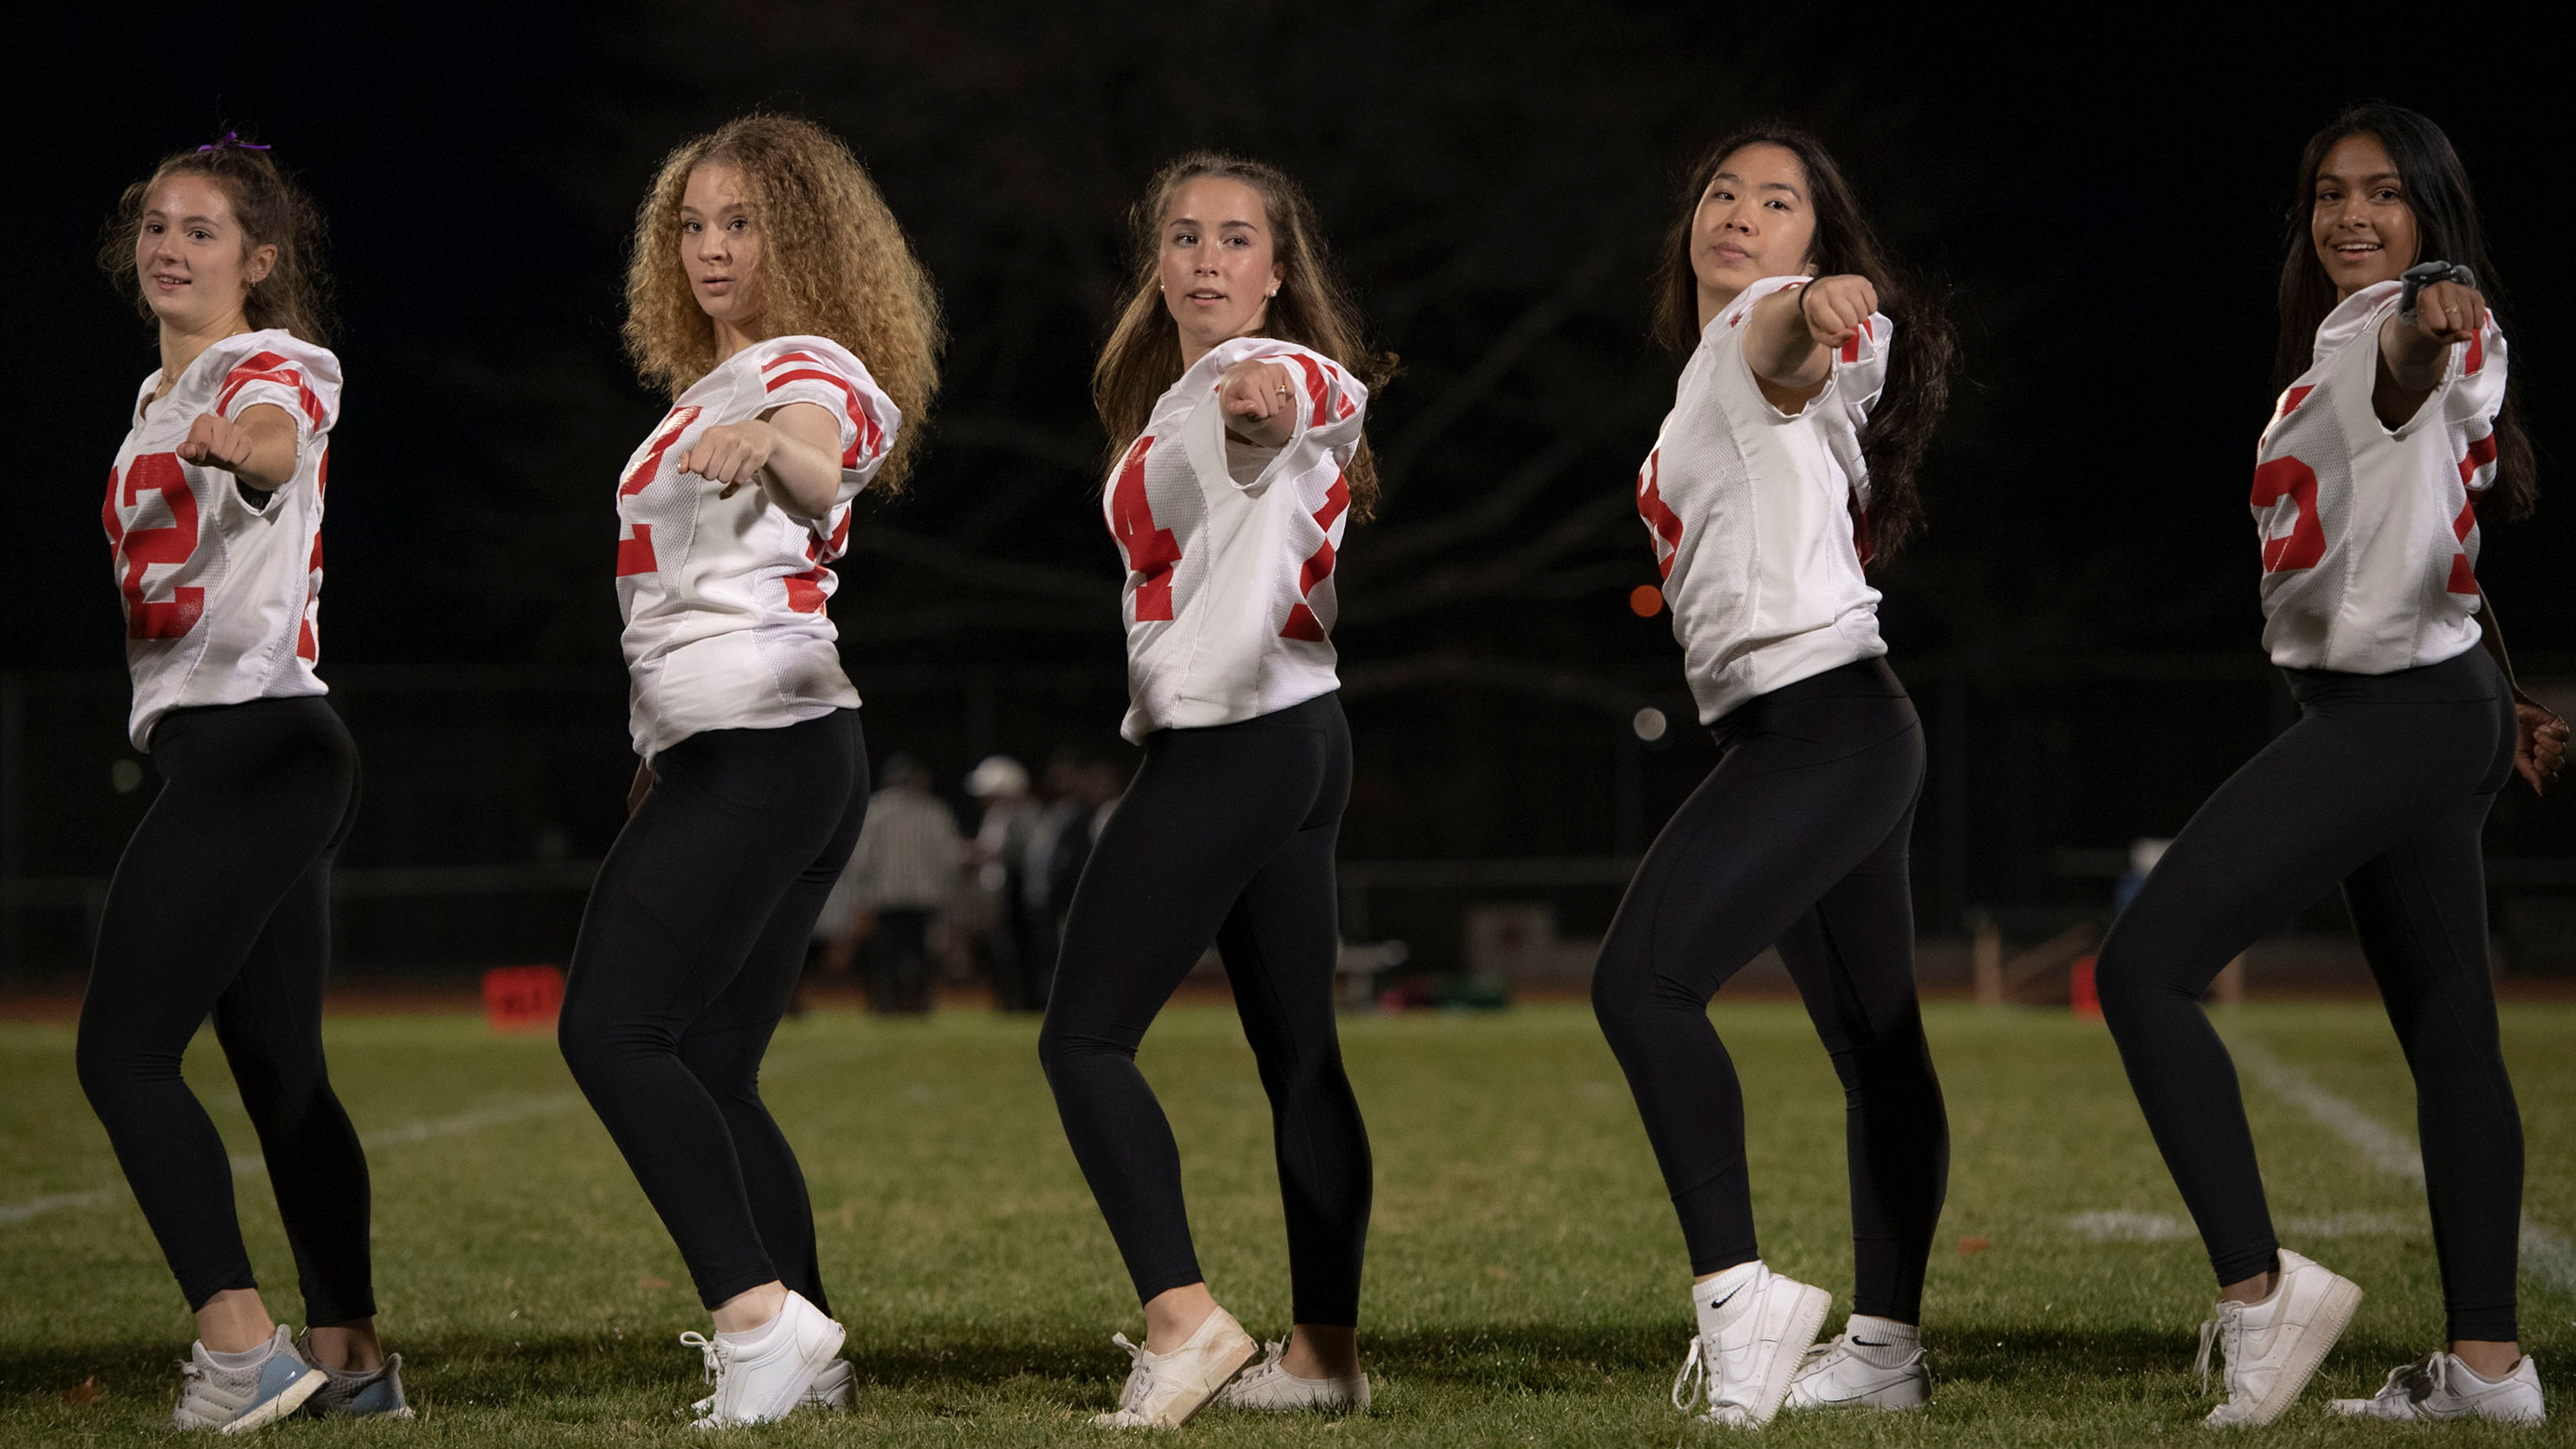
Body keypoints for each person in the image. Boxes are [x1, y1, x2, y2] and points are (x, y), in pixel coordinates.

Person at [2096, 103, 2559, 1428]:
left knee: (2143, 968)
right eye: (2330, 193)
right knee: (2452, 1032)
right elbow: (2421, 511)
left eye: (2386, 194)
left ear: (2430, 215)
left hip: (2392, 719)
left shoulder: (2398, 325)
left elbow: (2425, 351)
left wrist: (2435, 305)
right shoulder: (2334, 342)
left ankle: (2261, 1299)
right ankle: (2489, 1373)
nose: (2352, 213)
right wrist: (2500, 690)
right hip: (2436, 703)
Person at [554, 112, 943, 1428]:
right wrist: (657, 754)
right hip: (748, 752)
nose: (711, 247)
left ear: (808, 238)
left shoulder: (808, 367)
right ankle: (810, 1360)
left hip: (768, 750)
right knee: (715, 1066)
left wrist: (775, 446)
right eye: (693, 223)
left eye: (743, 222)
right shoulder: (705, 393)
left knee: (609, 1033)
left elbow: (828, 457)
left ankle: (757, 1321)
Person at [1588, 124, 1957, 1428]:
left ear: (1816, 240)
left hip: (1822, 730)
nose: (1740, 212)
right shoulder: (1705, 366)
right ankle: (1886, 1355)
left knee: (1641, 985)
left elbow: (1793, 341)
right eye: (1724, 191)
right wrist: (1814, 307)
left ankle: (1743, 1308)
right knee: (1874, 1047)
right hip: (1833, 729)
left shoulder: (1758, 327)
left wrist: (1819, 302)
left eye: (1780, 201)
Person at [1037, 151, 1391, 1428]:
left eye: (1235, 239)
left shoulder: (1265, 379)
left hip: (1240, 742)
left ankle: (1183, 1325)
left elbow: (1312, 394)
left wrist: (1267, 386)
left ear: (1278, 271)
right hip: (1300, 732)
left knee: (1081, 1041)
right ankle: (1326, 1360)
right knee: (1300, 1055)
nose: (1203, 259)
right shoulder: (1173, 398)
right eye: (1183, 237)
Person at [77, 134, 411, 1433]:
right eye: (156, 224)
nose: (171, 245)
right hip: (251, 749)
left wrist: (246, 447)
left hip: (254, 745)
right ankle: (354, 1360)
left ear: (259, 260)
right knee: (282, 1073)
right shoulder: (149, 411)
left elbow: (278, 434)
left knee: (120, 1056)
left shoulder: (265, 365)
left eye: (204, 230)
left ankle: (241, 1350)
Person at [830, 753, 965, 1013]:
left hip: (886, 899)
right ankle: (920, 1006)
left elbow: (860, 861)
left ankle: (887, 1007)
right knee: (921, 956)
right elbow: (950, 860)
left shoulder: (877, 809)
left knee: (886, 956)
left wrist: (859, 899)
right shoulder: (935, 810)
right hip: (925, 899)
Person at [963, 755, 1046, 1011]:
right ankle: (1010, 1000)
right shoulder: (1001, 814)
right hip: (1006, 891)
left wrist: (976, 853)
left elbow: (1019, 853)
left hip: (1019, 890)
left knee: (1022, 948)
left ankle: (1026, 1001)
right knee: (1006, 949)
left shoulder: (1024, 812)